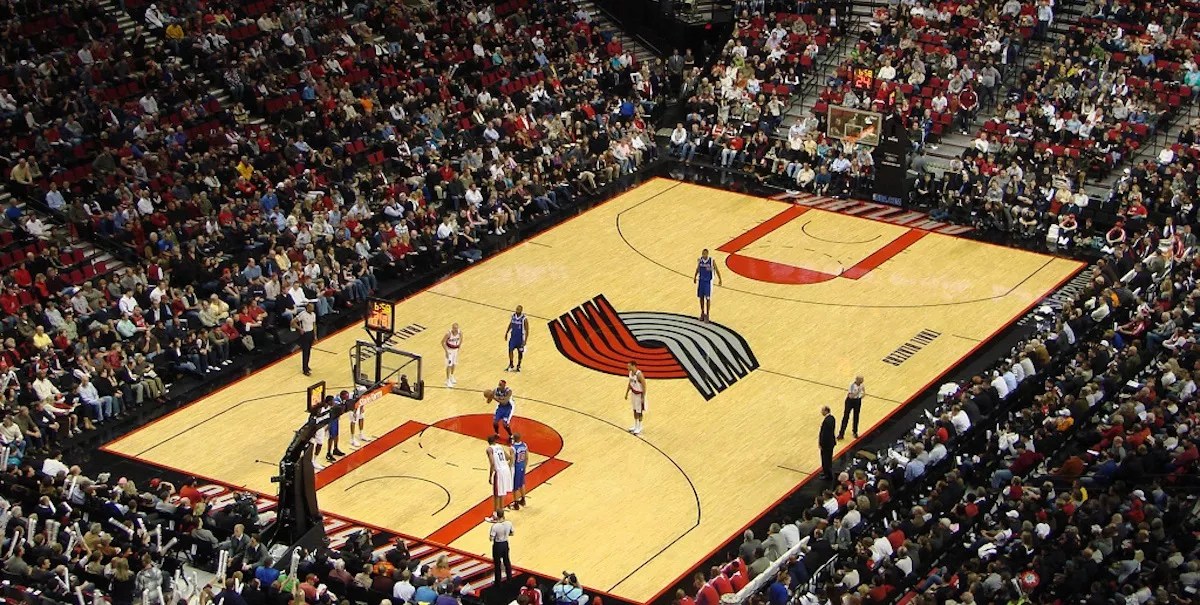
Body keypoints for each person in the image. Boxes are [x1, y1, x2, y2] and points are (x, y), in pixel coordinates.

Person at [485, 434, 513, 522]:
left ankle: (495, 516)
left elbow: (492, 464)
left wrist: (490, 476)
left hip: (500, 472)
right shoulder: (500, 447)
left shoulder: (489, 449)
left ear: (488, 442)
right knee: (501, 494)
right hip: (506, 471)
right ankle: (501, 515)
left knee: (496, 495)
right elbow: (508, 458)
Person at [694, 249, 723, 321]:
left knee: (708, 298)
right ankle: (702, 313)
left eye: (705, 254)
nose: (704, 255)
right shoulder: (700, 260)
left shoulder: (712, 261)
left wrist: (720, 279)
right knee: (701, 298)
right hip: (701, 281)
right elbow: (697, 269)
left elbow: (717, 270)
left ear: (707, 254)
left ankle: (707, 315)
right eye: (703, 254)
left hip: (708, 282)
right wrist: (695, 276)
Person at [488, 510, 514, 585]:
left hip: (498, 545)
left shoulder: (495, 526)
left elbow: (491, 538)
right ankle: (509, 579)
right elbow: (512, 533)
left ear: (497, 516)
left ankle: (498, 582)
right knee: (507, 561)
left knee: (497, 564)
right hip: (505, 544)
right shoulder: (509, 523)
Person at [292, 302, 317, 376]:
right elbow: (292, 322)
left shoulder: (313, 314)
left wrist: (315, 335)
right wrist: (300, 329)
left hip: (311, 333)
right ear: (307, 308)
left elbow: (314, 325)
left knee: (309, 351)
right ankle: (305, 370)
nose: (313, 308)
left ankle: (307, 366)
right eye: (311, 307)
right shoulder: (302, 314)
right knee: (305, 352)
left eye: (313, 307)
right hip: (305, 334)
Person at [838, 375, 865, 440]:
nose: (863, 380)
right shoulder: (852, 385)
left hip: (857, 401)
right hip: (850, 401)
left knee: (856, 416)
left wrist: (861, 396)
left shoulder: (862, 385)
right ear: (857, 379)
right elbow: (850, 396)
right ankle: (841, 434)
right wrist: (858, 392)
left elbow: (864, 391)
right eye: (861, 379)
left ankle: (855, 432)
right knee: (846, 417)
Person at [625, 360, 647, 435]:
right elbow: (630, 383)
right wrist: (626, 393)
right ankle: (635, 425)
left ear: (633, 366)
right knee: (634, 410)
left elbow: (644, 386)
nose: (627, 367)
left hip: (639, 395)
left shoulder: (639, 375)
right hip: (633, 393)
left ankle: (640, 427)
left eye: (629, 366)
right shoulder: (630, 373)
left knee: (639, 411)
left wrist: (643, 397)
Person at [505, 306, 528, 372]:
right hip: (513, 338)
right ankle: (511, 364)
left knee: (520, 353)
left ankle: (518, 365)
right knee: (510, 350)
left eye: (518, 309)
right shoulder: (513, 316)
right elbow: (511, 324)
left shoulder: (524, 319)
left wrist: (525, 340)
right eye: (517, 309)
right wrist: (506, 332)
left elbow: (527, 330)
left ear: (521, 310)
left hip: (520, 338)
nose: (517, 310)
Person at [509, 433, 528, 510]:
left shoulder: (513, 448)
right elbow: (526, 457)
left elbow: (512, 460)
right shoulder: (524, 445)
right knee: (522, 484)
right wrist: (524, 466)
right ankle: (523, 500)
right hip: (522, 465)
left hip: (516, 468)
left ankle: (516, 504)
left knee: (515, 487)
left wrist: (509, 468)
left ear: (514, 439)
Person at [443, 323, 463, 387]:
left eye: (456, 328)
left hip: (455, 350)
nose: (455, 329)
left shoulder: (460, 333)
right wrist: (446, 351)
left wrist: (459, 347)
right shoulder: (448, 334)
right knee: (449, 365)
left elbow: (461, 339)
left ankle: (452, 376)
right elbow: (443, 342)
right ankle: (447, 380)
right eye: (454, 328)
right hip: (449, 351)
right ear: (452, 328)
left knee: (454, 364)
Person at [819, 406, 836, 480]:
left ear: (826, 411)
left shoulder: (827, 421)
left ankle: (827, 475)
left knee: (826, 459)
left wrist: (821, 444)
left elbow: (825, 434)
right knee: (827, 459)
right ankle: (826, 472)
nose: (821, 412)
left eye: (822, 410)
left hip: (826, 444)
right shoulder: (832, 418)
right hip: (830, 442)